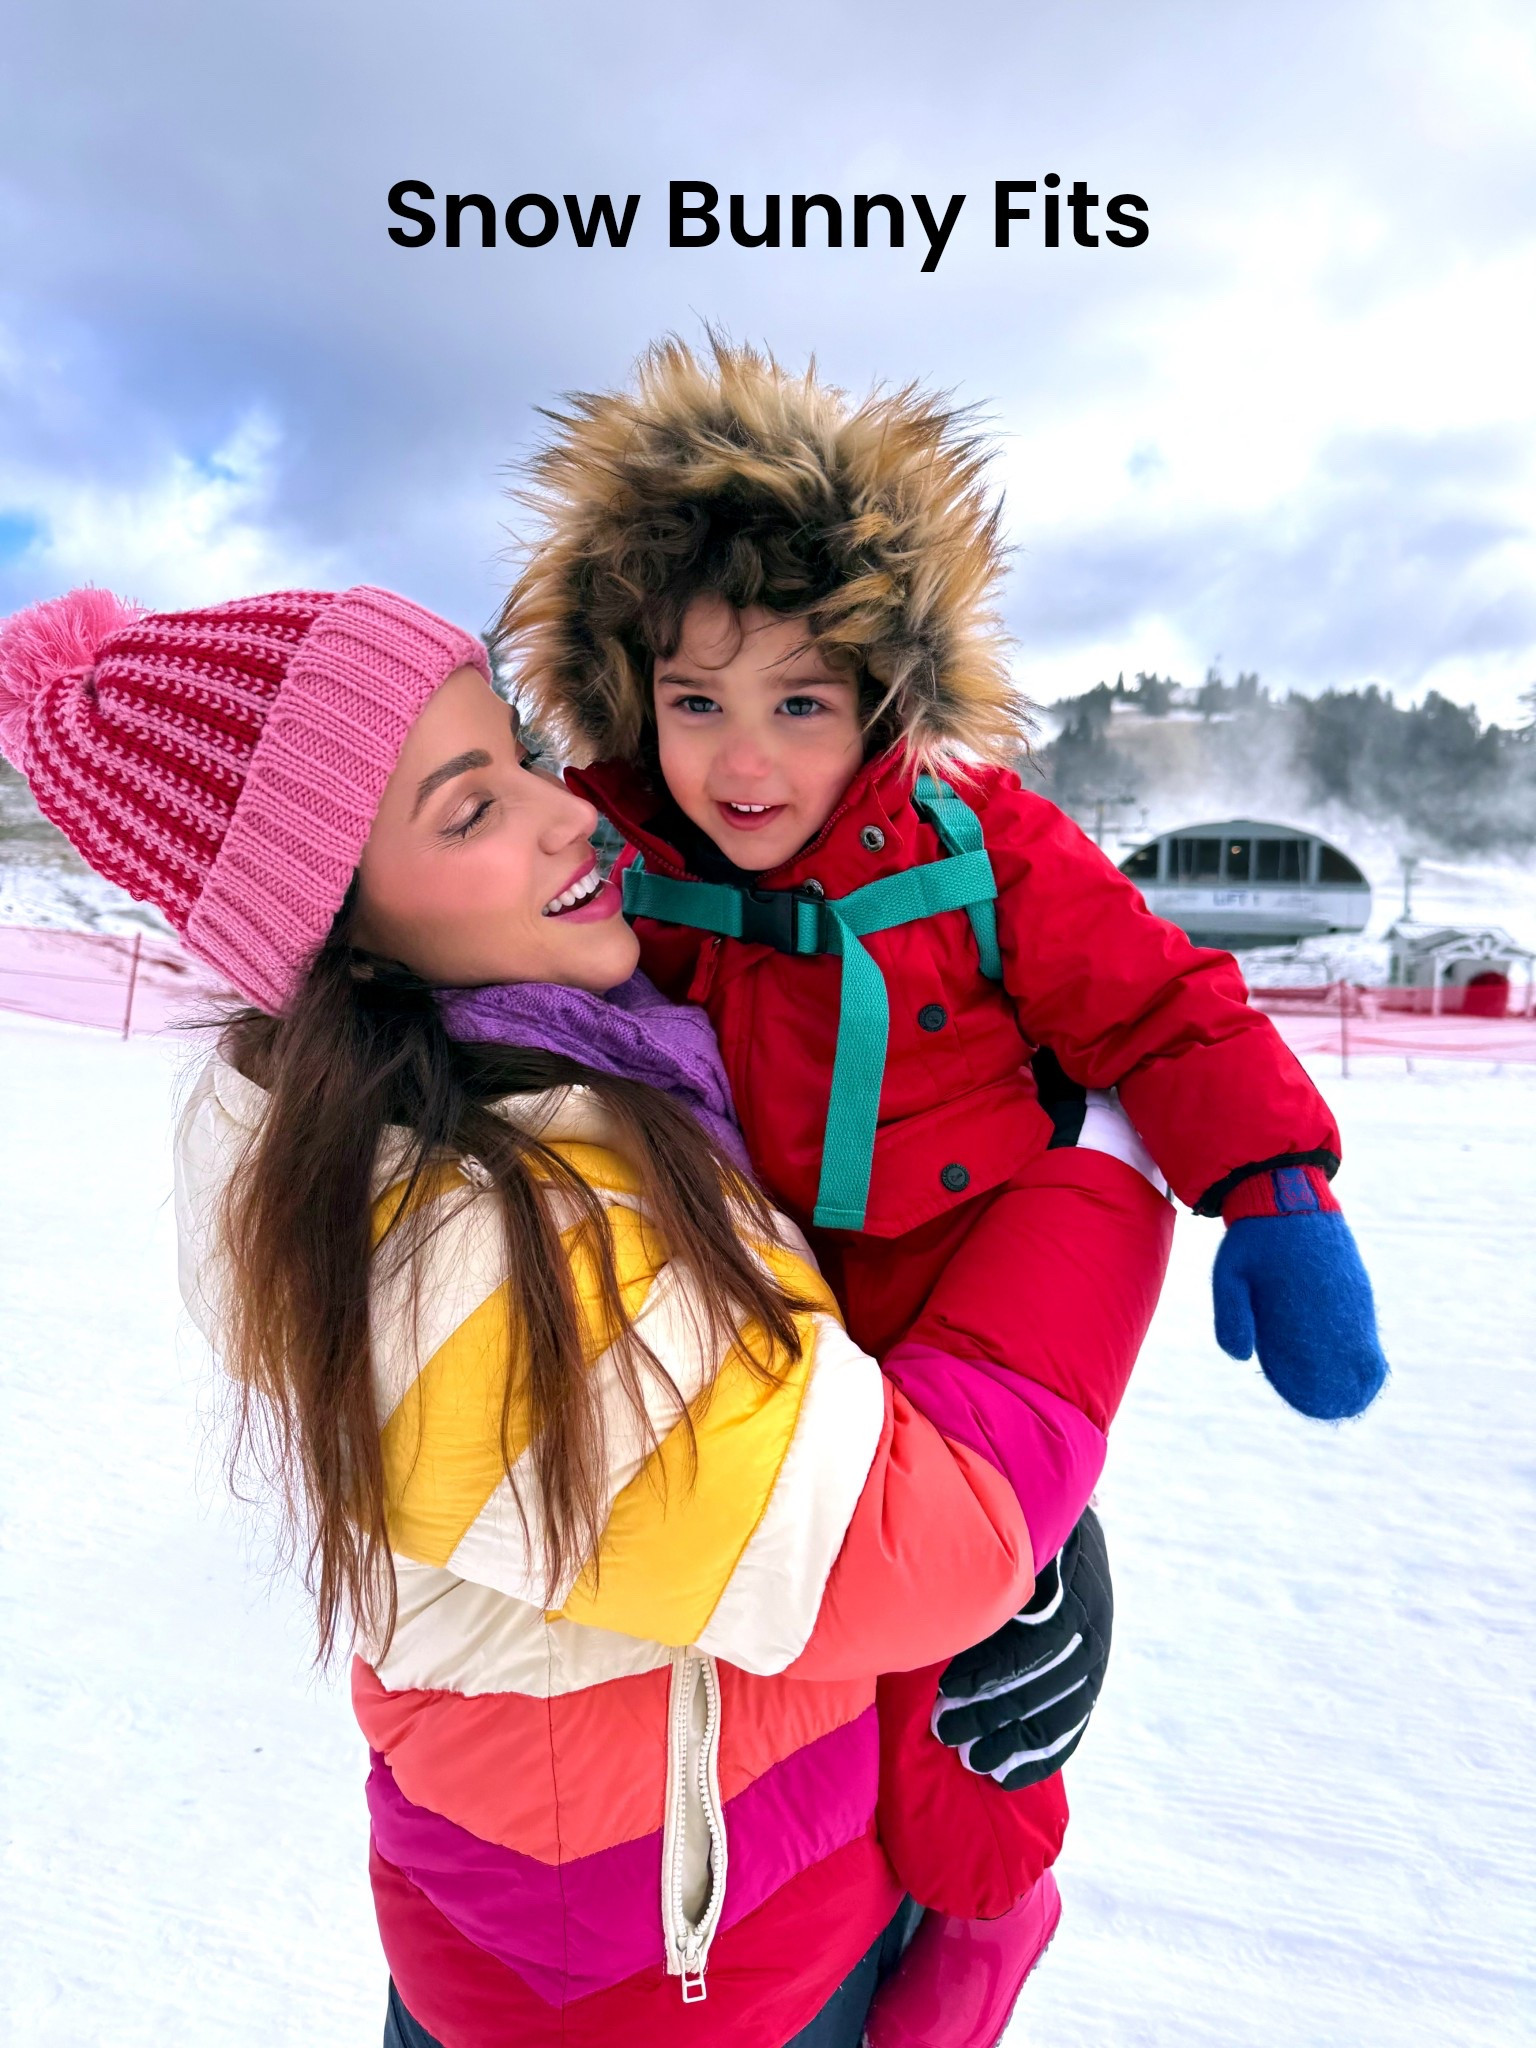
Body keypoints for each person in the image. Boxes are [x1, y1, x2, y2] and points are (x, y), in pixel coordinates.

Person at [0, 581, 1110, 2048]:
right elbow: (899, 1548)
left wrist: (1051, 1518)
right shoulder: (444, 1233)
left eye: (518, 752)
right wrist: (1108, 1174)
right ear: (337, 938)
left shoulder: (578, 1059)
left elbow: (781, 1397)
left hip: (763, 1879)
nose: (568, 815)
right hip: (651, 1987)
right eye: (469, 813)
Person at [496, 337, 1390, 2038]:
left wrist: (1276, 1188)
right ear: (629, 695)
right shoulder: (605, 856)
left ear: (883, 701)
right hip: (743, 1353)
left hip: (944, 1335)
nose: (742, 762)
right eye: (696, 704)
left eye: (799, 705)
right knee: (788, 1710)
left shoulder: (979, 849)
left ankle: (985, 1944)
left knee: (967, 1742)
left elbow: (1159, 1002)